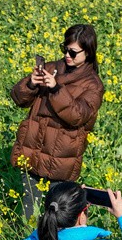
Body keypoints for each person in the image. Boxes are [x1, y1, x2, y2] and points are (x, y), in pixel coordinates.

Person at [11, 24, 104, 219]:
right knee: (29, 213)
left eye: (73, 52)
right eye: (65, 49)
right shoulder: (51, 68)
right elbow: (19, 99)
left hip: (61, 157)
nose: (67, 55)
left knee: (57, 214)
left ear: (88, 53)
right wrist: (31, 84)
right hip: (33, 149)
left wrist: (55, 89)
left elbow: (77, 116)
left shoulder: (93, 85)